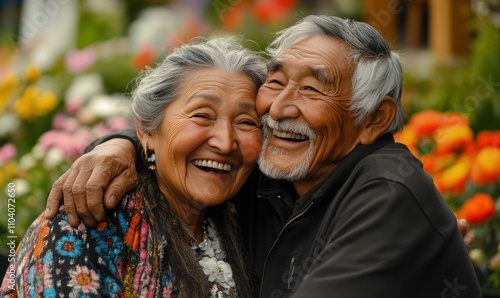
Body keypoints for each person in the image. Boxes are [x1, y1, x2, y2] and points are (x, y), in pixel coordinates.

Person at [43, 15, 481, 297]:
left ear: (372, 119)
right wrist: (121, 145)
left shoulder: (387, 196)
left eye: (312, 89)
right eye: (274, 82)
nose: (279, 108)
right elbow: (191, 140)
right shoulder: (271, 176)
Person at [0, 37, 267, 297]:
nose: (225, 142)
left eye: (246, 122)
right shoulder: (86, 222)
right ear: (147, 130)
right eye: (202, 115)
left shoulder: (250, 218)